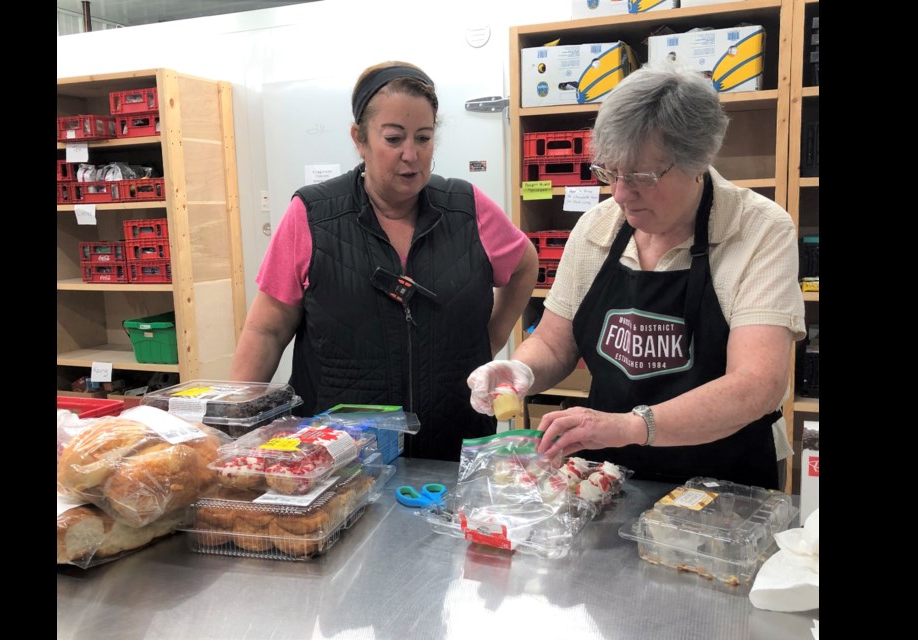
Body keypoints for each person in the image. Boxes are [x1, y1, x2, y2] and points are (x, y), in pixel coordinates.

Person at [467, 62, 805, 489]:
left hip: (723, 485)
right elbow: (555, 340)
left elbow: (756, 385)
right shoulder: (597, 228)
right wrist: (521, 371)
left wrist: (630, 427)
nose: (621, 194)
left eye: (642, 177)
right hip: (606, 480)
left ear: (698, 160)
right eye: (610, 173)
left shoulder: (758, 230)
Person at [231, 61, 539, 462]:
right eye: (393, 139)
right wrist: (232, 425)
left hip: (452, 445)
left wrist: (487, 342)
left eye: (424, 138)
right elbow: (266, 331)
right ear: (359, 139)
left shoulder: (468, 209)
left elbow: (524, 265)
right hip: (339, 456)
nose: (411, 155)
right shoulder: (312, 215)